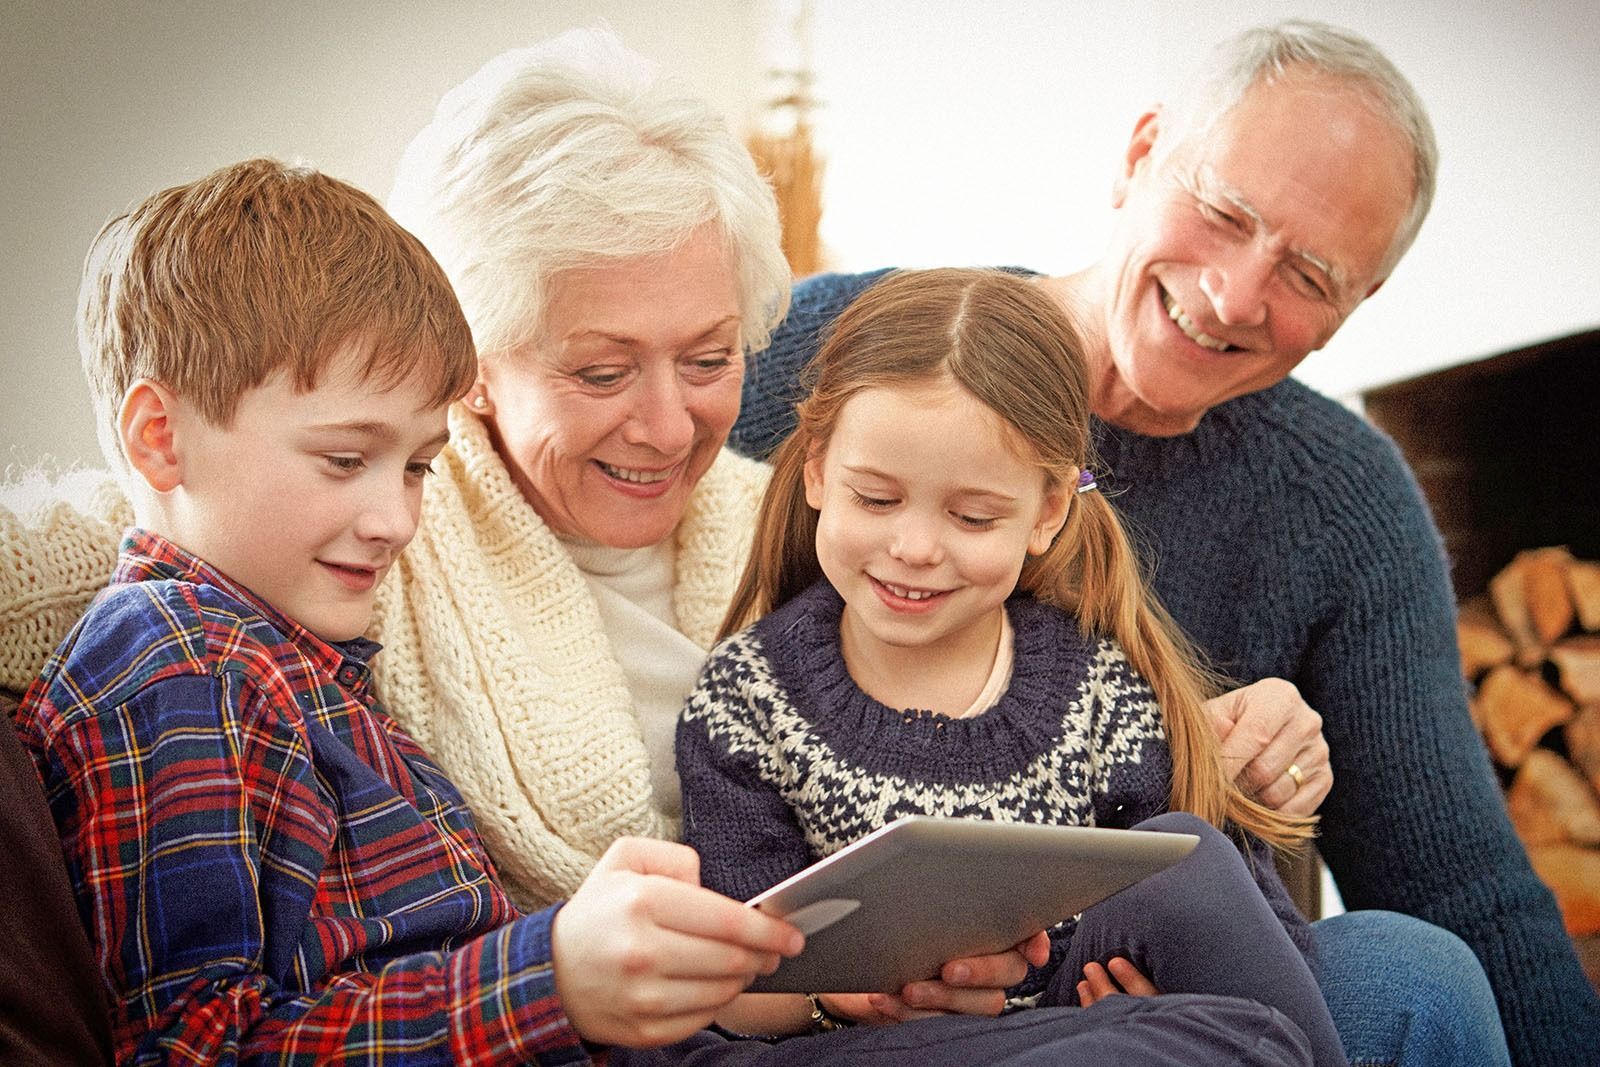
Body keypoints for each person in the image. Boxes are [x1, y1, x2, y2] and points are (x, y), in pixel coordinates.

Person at [0, 41, 1319, 1067]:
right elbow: (208, 1021)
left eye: (706, 359)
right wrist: (557, 972)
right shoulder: (259, 619)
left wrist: (861, 965)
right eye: (598, 367)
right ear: (479, 373)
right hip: (650, 1033)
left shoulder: (789, 526)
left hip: (765, 1011)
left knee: (1276, 928)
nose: (667, 418)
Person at [731, 18, 1595, 1067]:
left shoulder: (1345, 498)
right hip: (863, 988)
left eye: (1310, 274)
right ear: (1139, 155)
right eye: (1225, 212)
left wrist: (1264, 779)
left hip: (1161, 964)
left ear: (1358, 304)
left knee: (1416, 974)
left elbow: (1463, 885)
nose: (1233, 294)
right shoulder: (843, 349)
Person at [675, 267, 1346, 1066]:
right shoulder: (747, 700)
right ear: (819, 468)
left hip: (1071, 1028)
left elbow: (1238, 920)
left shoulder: (1093, 688)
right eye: (877, 499)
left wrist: (1162, 1008)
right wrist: (840, 997)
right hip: (861, 1050)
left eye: (972, 516)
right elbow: (724, 987)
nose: (915, 547)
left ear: (1048, 512)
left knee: (1191, 859)